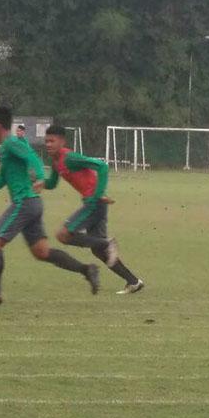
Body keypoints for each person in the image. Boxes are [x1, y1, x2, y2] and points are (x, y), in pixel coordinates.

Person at [0, 107, 100, 306]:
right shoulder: (7, 147)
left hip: (24, 204)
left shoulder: (11, 143)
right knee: (42, 252)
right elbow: (1, 180)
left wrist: (40, 177)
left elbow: (32, 158)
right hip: (33, 204)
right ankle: (87, 270)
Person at [44, 125, 145, 294]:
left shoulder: (70, 158)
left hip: (94, 203)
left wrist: (97, 195)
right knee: (99, 251)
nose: (48, 144)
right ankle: (133, 282)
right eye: (46, 141)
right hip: (94, 203)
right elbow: (52, 183)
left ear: (62, 142)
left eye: (52, 141)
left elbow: (102, 167)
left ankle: (107, 242)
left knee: (63, 235)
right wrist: (38, 181)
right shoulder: (54, 162)